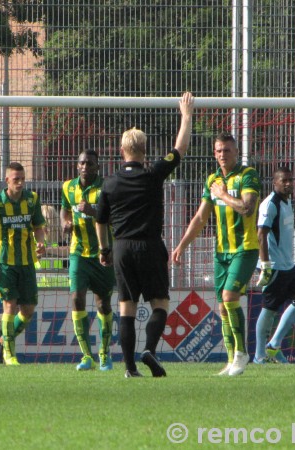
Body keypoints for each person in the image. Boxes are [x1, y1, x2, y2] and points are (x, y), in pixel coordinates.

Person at [96, 92, 195, 378]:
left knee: (126, 308)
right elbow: (180, 149)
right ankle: (149, 349)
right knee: (159, 304)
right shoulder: (154, 174)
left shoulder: (110, 183)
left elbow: (100, 221)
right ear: (144, 150)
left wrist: (104, 250)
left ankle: (129, 368)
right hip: (151, 246)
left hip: (123, 248)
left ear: (121, 150)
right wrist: (186, 116)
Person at [172, 133, 260, 377]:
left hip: (245, 248)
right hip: (221, 252)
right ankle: (232, 360)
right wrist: (181, 245)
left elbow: (247, 208)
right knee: (222, 307)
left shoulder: (248, 175)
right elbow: (201, 218)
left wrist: (222, 195)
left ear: (236, 152)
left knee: (230, 297)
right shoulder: (212, 180)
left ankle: (242, 354)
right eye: (219, 151)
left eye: (227, 150)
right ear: (214, 153)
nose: (223, 154)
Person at [0, 162, 47, 366]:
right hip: (5, 263)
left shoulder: (32, 199)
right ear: (7, 180)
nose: (20, 183)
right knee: (9, 305)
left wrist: (41, 242)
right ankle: (9, 354)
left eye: (22, 179)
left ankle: (5, 338)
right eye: (16, 179)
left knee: (28, 309)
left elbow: (38, 227)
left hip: (27, 263)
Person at [60, 149, 116, 371]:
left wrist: (94, 211)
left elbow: (116, 216)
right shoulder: (68, 187)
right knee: (77, 298)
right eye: (82, 163)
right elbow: (65, 211)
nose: (85, 167)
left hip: (103, 253)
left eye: (90, 164)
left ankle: (104, 353)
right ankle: (86, 356)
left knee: (103, 303)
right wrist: (65, 223)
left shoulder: (107, 188)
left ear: (97, 167)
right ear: (77, 165)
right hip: (78, 253)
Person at [252, 167, 295, 364]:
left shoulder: (287, 201)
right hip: (274, 266)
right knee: (270, 308)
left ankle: (274, 345)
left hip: (288, 265)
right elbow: (261, 234)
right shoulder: (270, 204)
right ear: (274, 183)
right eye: (284, 180)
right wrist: (266, 265)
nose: (288, 184)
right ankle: (259, 356)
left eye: (290, 180)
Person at [35, 204, 69, 288]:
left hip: (61, 286)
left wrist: (47, 250)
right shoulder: (36, 239)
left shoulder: (60, 239)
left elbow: (68, 250)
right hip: (41, 285)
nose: (45, 226)